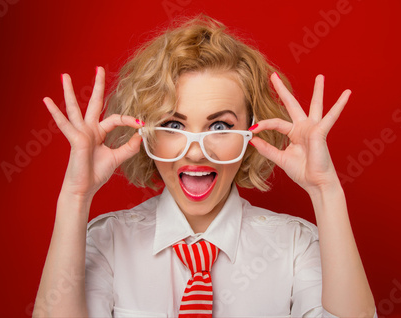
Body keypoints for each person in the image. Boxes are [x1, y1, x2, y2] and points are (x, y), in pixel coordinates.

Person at [32, 15, 376, 318]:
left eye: (220, 126)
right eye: (174, 125)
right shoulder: (107, 241)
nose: (196, 153)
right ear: (146, 133)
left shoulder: (295, 245)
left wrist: (325, 190)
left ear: (251, 131)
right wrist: (76, 197)